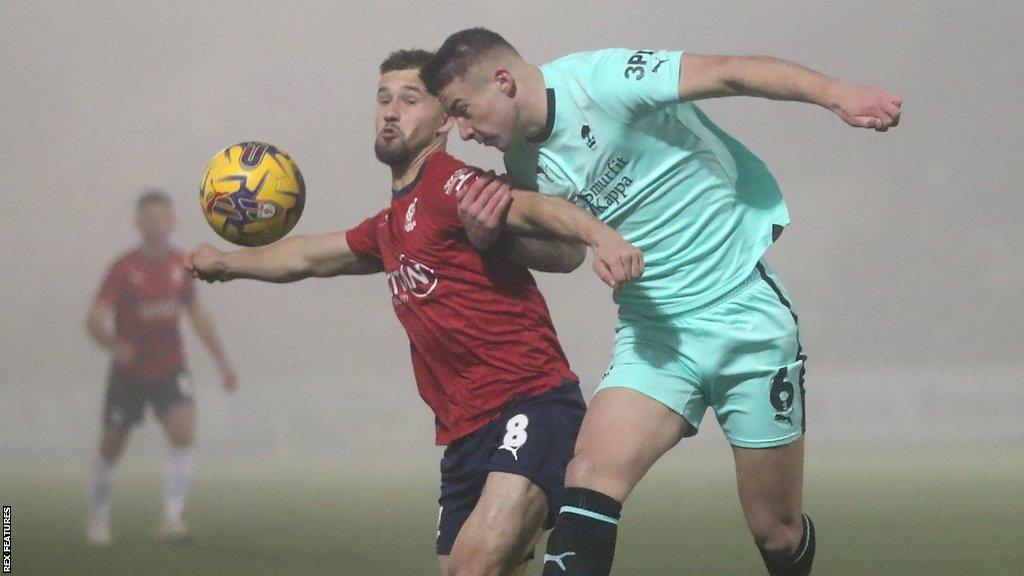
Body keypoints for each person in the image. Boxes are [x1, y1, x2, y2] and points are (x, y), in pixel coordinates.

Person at [422, 27, 902, 576]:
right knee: (588, 479)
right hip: (653, 339)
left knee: (776, 530)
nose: (461, 131)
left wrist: (837, 94)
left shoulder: (600, 81)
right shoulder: (525, 163)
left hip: (743, 315)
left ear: (502, 81)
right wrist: (494, 238)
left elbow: (729, 70)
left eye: (463, 110)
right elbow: (564, 254)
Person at [186, 49, 638, 576]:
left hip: (532, 404)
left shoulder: (453, 185)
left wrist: (602, 236)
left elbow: (540, 211)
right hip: (465, 430)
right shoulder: (390, 224)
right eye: (382, 99)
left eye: (408, 99)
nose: (390, 112)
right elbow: (308, 255)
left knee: (473, 567)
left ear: (446, 118)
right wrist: (226, 263)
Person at [86, 189, 237, 544]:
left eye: (162, 218)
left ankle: (172, 520)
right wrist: (114, 345)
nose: (157, 225)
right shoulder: (123, 268)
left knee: (184, 432)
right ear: (138, 223)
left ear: (173, 222)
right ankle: (98, 516)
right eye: (149, 219)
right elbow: (94, 319)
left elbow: (198, 316)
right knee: (112, 445)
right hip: (129, 372)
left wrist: (222, 363)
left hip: (170, 367)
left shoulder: (180, 265)